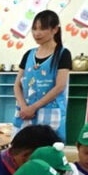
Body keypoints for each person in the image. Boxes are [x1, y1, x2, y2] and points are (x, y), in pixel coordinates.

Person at [13, 10, 71, 139]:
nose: (37, 33)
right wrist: (24, 106)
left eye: (42, 28)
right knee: (22, 147)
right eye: (34, 29)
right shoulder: (29, 54)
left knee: (46, 147)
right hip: (25, 113)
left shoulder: (63, 54)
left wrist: (33, 108)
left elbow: (60, 86)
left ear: (55, 29)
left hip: (49, 113)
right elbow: (17, 85)